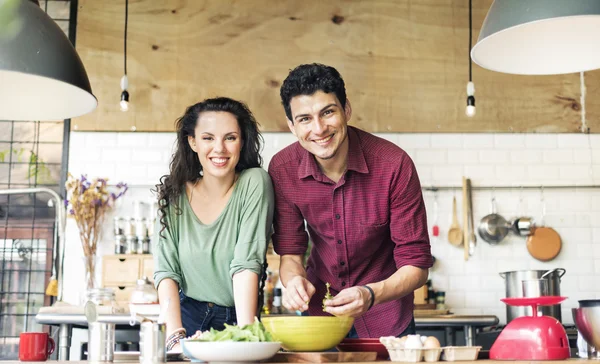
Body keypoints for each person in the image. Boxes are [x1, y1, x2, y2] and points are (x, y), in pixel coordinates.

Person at [268, 63, 433, 339]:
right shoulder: (283, 169)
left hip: (387, 319)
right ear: (292, 126)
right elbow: (290, 253)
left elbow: (416, 265)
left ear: (346, 109)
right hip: (323, 319)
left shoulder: (393, 165)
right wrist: (293, 280)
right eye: (305, 119)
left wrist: (371, 294)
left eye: (328, 112)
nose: (319, 129)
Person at [153, 97, 275, 351]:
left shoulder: (254, 182)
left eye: (230, 137)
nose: (219, 148)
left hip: (235, 320)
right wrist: (175, 337)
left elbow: (246, 264)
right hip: (185, 320)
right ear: (193, 142)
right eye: (208, 138)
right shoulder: (173, 195)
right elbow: (166, 272)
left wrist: (246, 336)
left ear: (242, 141)